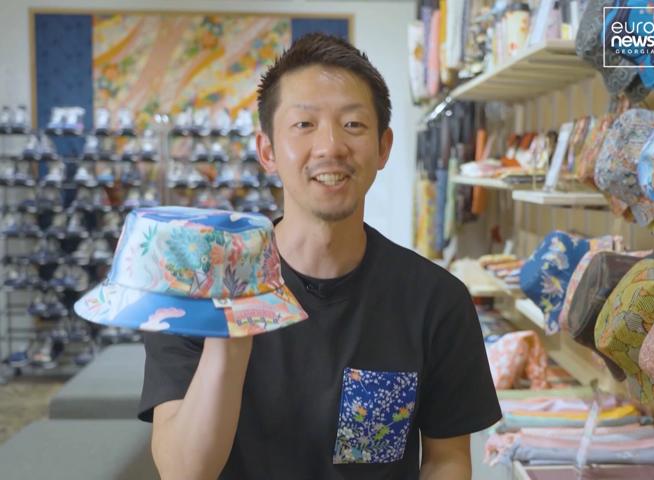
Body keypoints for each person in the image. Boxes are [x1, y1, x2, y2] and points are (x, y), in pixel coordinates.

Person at [139, 33, 502, 479]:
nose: (330, 146)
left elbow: (447, 459)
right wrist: (228, 335)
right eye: (304, 124)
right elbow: (183, 472)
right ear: (268, 151)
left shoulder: (437, 300)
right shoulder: (193, 291)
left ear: (383, 147)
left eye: (353, 124)